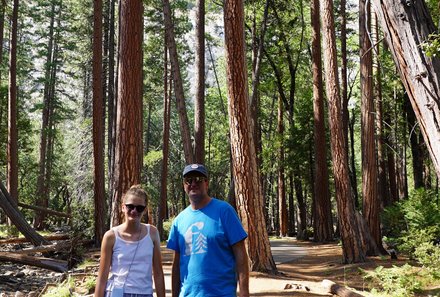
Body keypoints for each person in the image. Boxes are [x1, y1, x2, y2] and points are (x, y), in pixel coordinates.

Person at [167, 164, 249, 297]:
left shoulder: (224, 211)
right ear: (184, 185)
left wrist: (244, 292)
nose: (193, 183)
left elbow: (240, 254)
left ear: (206, 183)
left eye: (198, 179)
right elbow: (176, 265)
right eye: (189, 180)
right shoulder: (179, 221)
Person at [94, 185, 165, 297]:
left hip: (144, 293)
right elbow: (102, 277)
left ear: (145, 209)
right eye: (130, 207)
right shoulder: (111, 236)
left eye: (139, 208)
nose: (134, 211)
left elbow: (158, 273)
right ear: (123, 207)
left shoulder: (152, 233)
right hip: (116, 293)